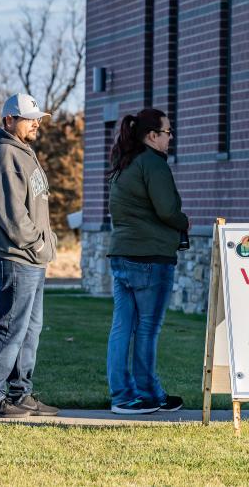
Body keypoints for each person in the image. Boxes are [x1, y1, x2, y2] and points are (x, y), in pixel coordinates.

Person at [0, 93, 59, 418]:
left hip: (32, 259)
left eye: (38, 117)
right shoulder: (7, 155)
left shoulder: (24, 152)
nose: (36, 123)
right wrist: (38, 243)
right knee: (11, 327)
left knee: (30, 329)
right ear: (9, 120)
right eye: (29, 118)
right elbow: (10, 214)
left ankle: (20, 394)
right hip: (16, 257)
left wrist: (43, 244)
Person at [106, 108, 188, 415]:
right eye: (167, 132)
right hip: (150, 258)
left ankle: (123, 396)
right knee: (147, 330)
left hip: (122, 255)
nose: (170, 138)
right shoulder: (153, 164)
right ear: (152, 136)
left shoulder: (124, 163)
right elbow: (167, 210)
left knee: (122, 328)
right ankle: (146, 395)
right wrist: (184, 221)